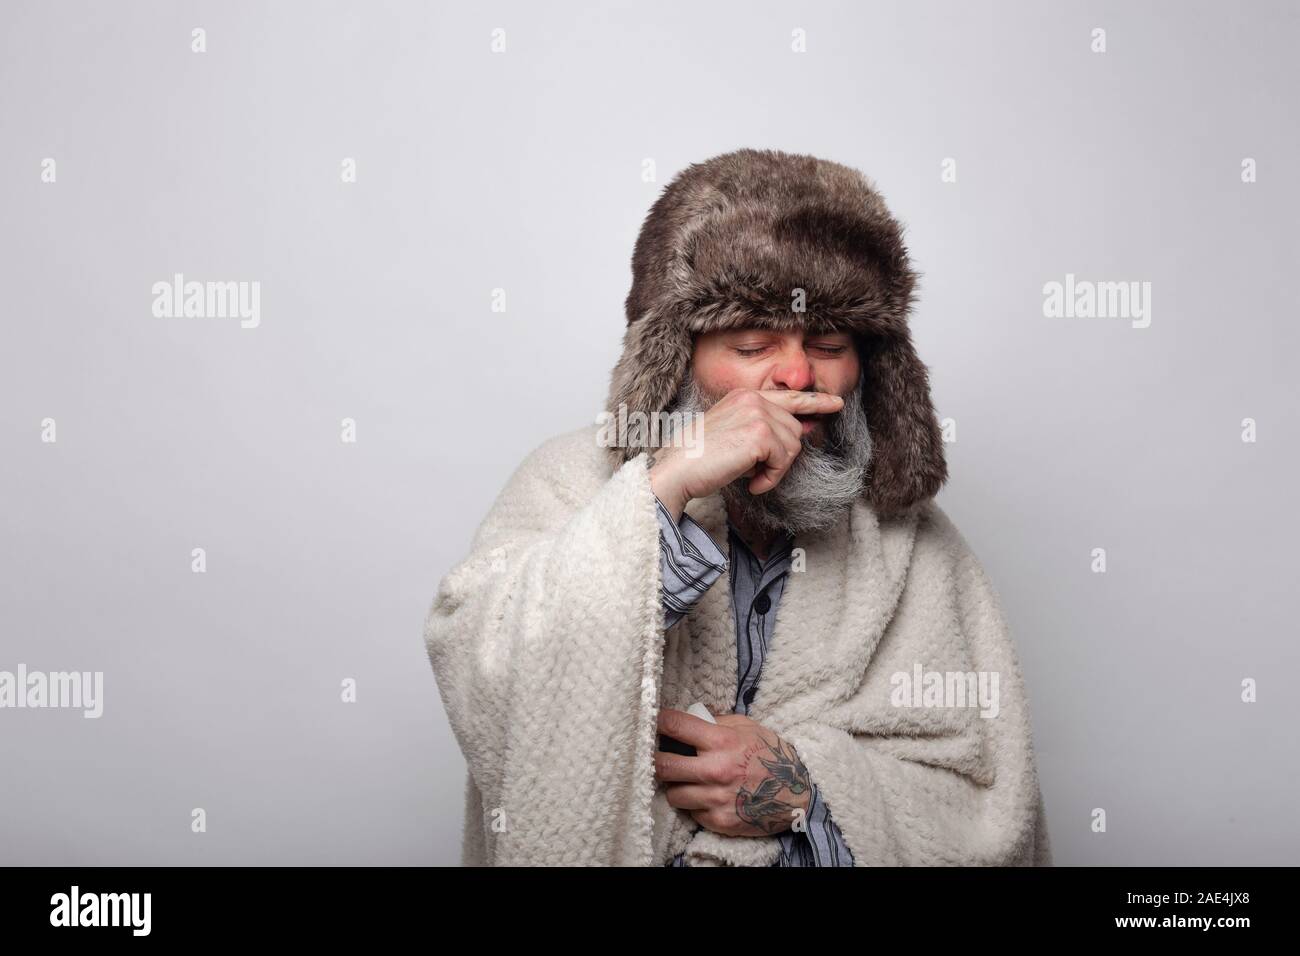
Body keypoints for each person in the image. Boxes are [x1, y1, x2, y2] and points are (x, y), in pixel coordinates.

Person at [423, 147, 1052, 867]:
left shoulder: (916, 549)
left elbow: (989, 806)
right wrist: (666, 485)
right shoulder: (566, 482)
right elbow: (489, 681)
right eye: (753, 343)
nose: (795, 373)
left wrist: (807, 796)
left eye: (830, 343)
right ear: (675, 354)